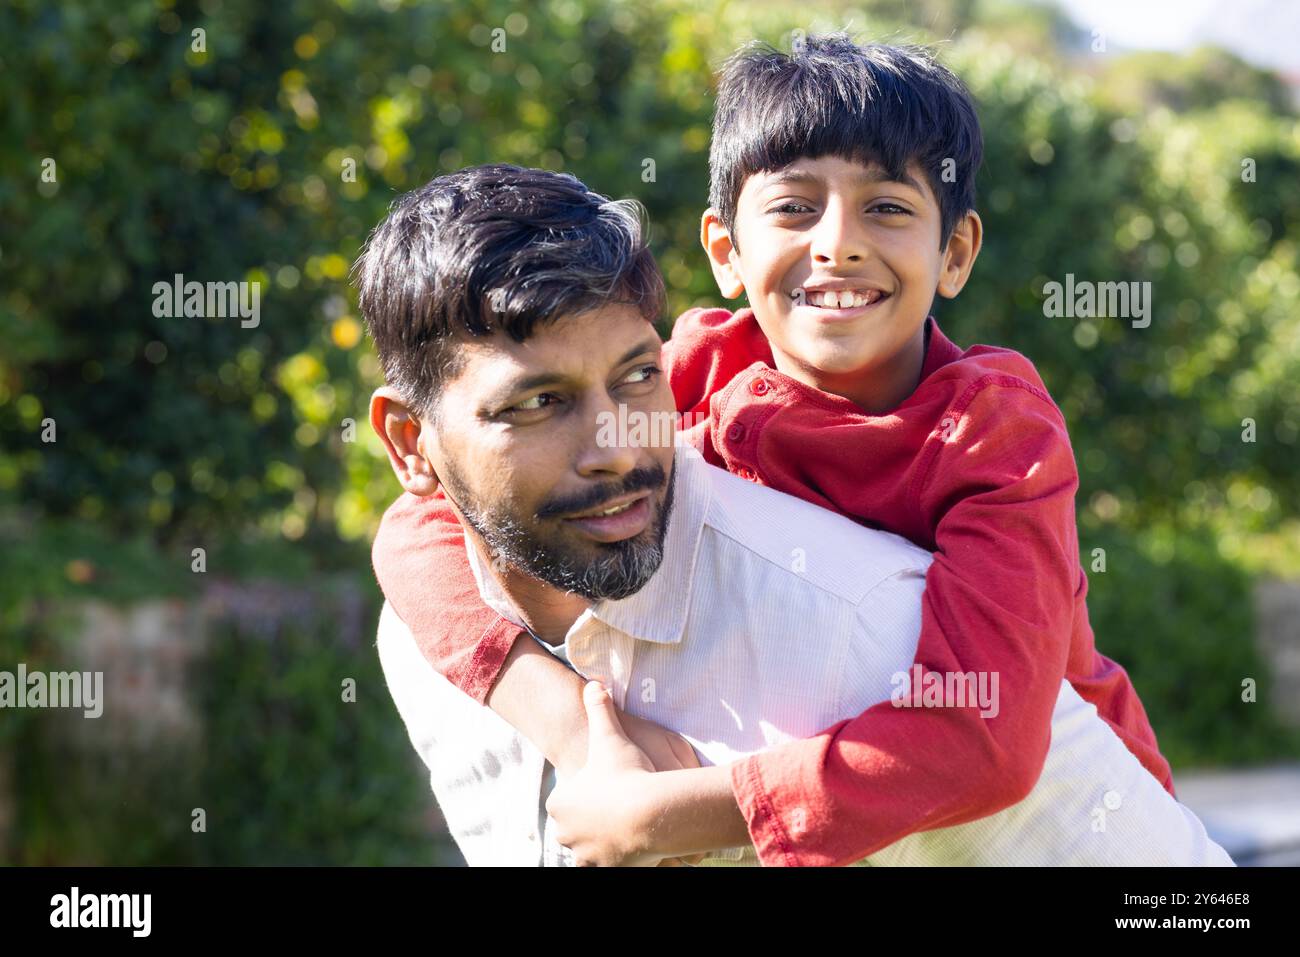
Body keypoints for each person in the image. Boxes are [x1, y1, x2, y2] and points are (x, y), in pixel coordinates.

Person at [359, 163, 1229, 866]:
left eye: (634, 377)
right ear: (410, 444)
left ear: (956, 250)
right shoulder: (427, 636)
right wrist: (564, 720)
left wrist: (679, 812)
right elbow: (412, 531)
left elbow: (990, 744)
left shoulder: (883, 611)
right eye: (538, 403)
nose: (618, 445)